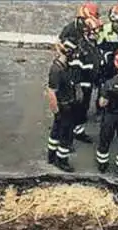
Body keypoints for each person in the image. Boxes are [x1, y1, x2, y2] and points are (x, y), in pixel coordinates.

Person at [59, 7, 103, 145]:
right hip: (80, 86)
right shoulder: (80, 48)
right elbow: (76, 72)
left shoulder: (91, 44)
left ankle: (78, 130)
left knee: (83, 109)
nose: (98, 34)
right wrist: (78, 89)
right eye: (95, 31)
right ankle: (65, 141)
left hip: (88, 84)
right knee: (73, 112)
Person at [46, 39, 83, 172]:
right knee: (66, 135)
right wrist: (56, 112)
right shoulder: (57, 70)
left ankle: (51, 155)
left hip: (66, 105)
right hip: (64, 106)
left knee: (56, 131)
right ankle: (62, 160)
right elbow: (51, 92)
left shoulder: (65, 66)